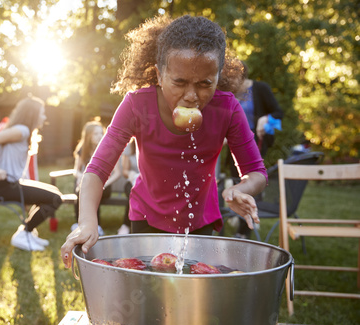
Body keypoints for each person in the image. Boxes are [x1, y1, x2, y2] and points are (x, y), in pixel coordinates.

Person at [61, 15, 268, 267]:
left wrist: (239, 190)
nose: (191, 96)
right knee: (149, 296)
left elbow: (256, 172)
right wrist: (87, 221)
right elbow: (97, 170)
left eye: (205, 84)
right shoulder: (137, 105)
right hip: (146, 220)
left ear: (217, 76)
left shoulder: (228, 109)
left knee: (194, 298)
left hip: (201, 222)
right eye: (179, 82)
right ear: (160, 75)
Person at [0, 96, 62, 251]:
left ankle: (27, 232)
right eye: (42, 113)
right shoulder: (22, 130)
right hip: (5, 186)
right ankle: (24, 233)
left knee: (53, 193)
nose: (44, 117)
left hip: (12, 184)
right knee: (55, 199)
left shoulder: (25, 132)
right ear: (32, 114)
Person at [229, 61, 284, 238]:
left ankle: (244, 231)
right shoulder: (228, 93)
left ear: (242, 74)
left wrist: (265, 118)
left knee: (251, 183)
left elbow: (278, 112)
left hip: (256, 144)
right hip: (232, 146)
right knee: (236, 184)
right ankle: (241, 221)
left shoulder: (260, 88)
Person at [72, 119, 122, 236]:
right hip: (86, 184)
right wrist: (82, 177)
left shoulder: (108, 150)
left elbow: (117, 173)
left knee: (91, 189)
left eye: (101, 133)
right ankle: (80, 224)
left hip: (104, 185)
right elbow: (76, 170)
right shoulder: (82, 150)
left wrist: (103, 184)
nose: (100, 136)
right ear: (88, 136)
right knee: (83, 187)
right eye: (96, 133)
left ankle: (94, 225)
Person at [117, 138, 139, 235]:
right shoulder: (130, 148)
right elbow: (125, 171)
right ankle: (126, 225)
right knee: (133, 192)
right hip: (132, 181)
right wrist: (132, 174)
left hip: (147, 182)